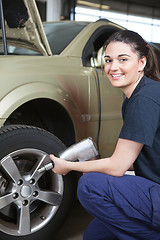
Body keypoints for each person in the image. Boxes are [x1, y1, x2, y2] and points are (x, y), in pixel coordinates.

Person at [50, 30, 160, 240]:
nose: (113, 67)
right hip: (154, 188)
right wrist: (96, 164)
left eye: (123, 59)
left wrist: (70, 166)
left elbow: (118, 167)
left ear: (141, 63)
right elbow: (131, 161)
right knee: (94, 235)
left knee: (90, 185)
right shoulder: (138, 96)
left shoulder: (144, 99)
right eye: (108, 60)